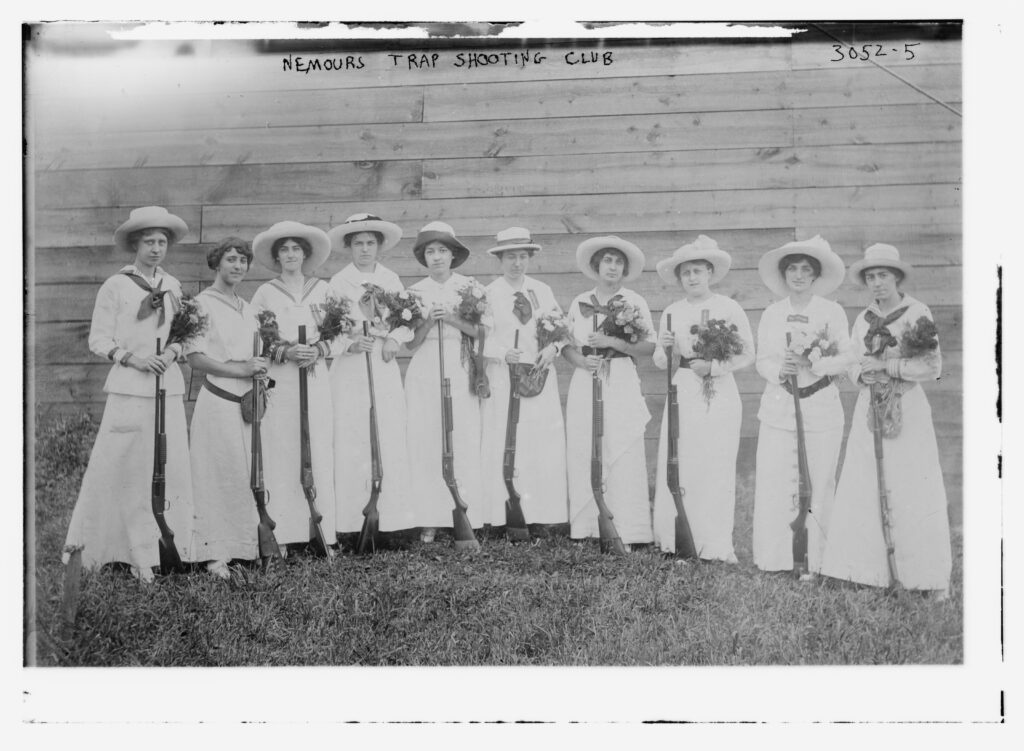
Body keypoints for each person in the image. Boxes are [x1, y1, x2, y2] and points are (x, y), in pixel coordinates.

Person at [63, 206, 195, 583]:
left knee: (166, 466)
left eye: (162, 242)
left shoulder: (173, 286)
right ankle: (112, 549)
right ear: (135, 244)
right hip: (129, 389)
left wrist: (171, 353)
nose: (156, 249)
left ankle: (166, 551)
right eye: (149, 241)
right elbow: (98, 339)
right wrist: (135, 360)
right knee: (123, 466)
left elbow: (183, 335)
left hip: (166, 388)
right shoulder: (116, 286)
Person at [821, 244, 952, 599]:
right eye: (871, 277)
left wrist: (887, 367)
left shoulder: (916, 312)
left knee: (912, 486)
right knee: (862, 483)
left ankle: (926, 577)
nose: (877, 283)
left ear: (896, 277)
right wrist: (861, 375)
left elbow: (932, 367)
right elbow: (851, 359)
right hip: (870, 407)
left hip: (906, 406)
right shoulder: (864, 318)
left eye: (883, 275)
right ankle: (864, 571)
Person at [752, 236, 852, 576]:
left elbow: (844, 358)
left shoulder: (831, 312)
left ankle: (816, 558)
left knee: (819, 479)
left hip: (821, 405)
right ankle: (776, 557)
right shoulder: (772, 313)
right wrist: (781, 370)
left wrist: (814, 361)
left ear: (815, 276)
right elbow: (762, 359)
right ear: (784, 275)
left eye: (805, 270)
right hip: (781, 406)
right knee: (776, 478)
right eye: (792, 269)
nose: (798, 275)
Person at [651, 236, 754, 560]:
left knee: (714, 461)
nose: (692, 278)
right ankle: (675, 537)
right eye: (686, 273)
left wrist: (715, 366)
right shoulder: (672, 310)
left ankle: (713, 542)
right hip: (683, 387)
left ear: (710, 272)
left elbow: (747, 352)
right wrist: (666, 348)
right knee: (682, 457)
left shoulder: (728, 307)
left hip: (719, 390)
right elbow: (658, 361)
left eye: (698, 271)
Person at [325, 213, 415, 538]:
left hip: (382, 360)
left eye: (370, 243)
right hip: (351, 366)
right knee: (353, 435)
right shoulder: (338, 282)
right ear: (350, 247)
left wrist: (394, 338)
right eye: (359, 243)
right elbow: (329, 329)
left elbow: (408, 319)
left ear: (379, 247)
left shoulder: (390, 279)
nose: (365, 249)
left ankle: (391, 522)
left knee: (388, 431)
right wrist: (349, 344)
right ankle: (350, 522)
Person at [249, 221, 337, 552]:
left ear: (305, 254)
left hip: (315, 379)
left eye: (296, 249)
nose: (290, 255)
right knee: (283, 447)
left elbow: (339, 335)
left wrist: (317, 350)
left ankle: (322, 532)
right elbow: (258, 337)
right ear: (276, 256)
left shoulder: (324, 290)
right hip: (283, 381)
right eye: (283, 249)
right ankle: (284, 533)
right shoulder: (265, 293)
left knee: (318, 445)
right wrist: (284, 351)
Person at [184, 237, 269, 579]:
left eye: (243, 261)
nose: (237, 266)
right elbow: (195, 359)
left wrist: (259, 366)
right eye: (231, 259)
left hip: (248, 401)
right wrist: (241, 369)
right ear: (216, 264)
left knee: (242, 471)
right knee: (215, 473)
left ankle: (243, 547)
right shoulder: (200, 305)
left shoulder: (247, 307)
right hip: (218, 397)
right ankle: (213, 554)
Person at [564, 236, 656, 548]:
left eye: (618, 262)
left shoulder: (634, 301)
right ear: (596, 266)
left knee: (623, 446)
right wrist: (581, 360)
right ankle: (588, 526)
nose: (613, 267)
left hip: (620, 378)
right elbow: (564, 344)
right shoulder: (579, 301)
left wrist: (613, 343)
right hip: (586, 376)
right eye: (607, 261)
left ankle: (628, 528)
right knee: (586, 444)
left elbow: (648, 346)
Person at [479, 227, 569, 533]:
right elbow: (481, 340)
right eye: (510, 257)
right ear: (499, 260)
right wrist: (503, 354)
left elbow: (561, 330)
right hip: (505, 375)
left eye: (522, 256)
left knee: (540, 441)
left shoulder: (541, 290)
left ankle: (542, 514)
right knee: (504, 439)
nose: (517, 263)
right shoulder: (488, 294)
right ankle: (502, 515)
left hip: (539, 374)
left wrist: (553, 347)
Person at [404, 221, 489, 541]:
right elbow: (409, 344)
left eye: (442, 251)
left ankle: (465, 513)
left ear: (453, 255)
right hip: (425, 366)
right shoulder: (413, 293)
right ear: (423, 257)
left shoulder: (470, 287)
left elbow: (483, 331)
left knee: (462, 436)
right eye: (430, 251)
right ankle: (429, 517)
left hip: (459, 362)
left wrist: (451, 318)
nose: (437, 257)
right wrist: (428, 322)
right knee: (426, 438)